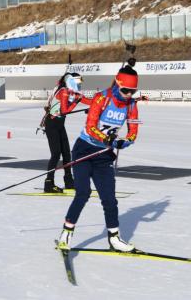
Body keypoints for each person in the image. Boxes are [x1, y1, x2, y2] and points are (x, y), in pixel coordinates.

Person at [57, 66, 140, 252]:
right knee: (83, 193)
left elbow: (133, 131)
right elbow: (91, 125)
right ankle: (66, 233)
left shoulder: (132, 105)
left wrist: (125, 142)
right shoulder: (102, 98)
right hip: (84, 150)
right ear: (117, 84)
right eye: (126, 90)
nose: (128, 95)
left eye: (133, 91)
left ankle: (114, 238)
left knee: (109, 199)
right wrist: (106, 139)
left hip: (103, 156)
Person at [43, 73, 92, 193]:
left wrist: (103, 103)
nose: (80, 85)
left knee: (66, 153)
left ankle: (69, 182)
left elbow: (90, 101)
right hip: (52, 124)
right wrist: (76, 102)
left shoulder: (72, 93)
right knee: (56, 154)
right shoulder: (64, 91)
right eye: (78, 83)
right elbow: (64, 111)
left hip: (60, 125)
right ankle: (49, 184)